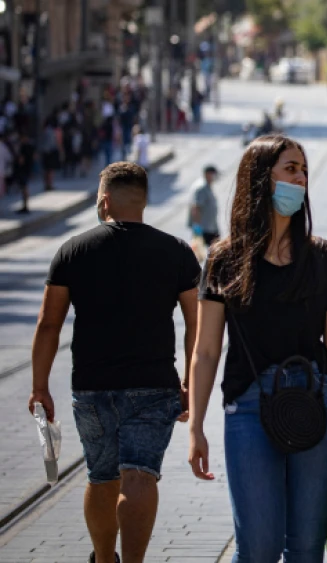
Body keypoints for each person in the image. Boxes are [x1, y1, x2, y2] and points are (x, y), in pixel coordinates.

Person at [187, 135, 327, 562]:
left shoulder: (321, 257)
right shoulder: (223, 258)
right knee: (257, 548)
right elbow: (205, 351)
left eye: (303, 170)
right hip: (247, 406)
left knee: (305, 549)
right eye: (290, 168)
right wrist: (195, 427)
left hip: (319, 403)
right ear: (261, 177)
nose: (300, 178)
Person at [28, 162, 200, 563]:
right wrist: (192, 381)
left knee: (102, 477)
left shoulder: (73, 251)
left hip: (91, 387)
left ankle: (105, 559)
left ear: (104, 202)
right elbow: (197, 324)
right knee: (140, 474)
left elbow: (49, 324)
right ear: (144, 201)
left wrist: (39, 386)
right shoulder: (176, 252)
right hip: (154, 384)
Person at [189, 165, 221, 248]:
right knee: (203, 252)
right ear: (207, 174)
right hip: (204, 228)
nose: (214, 177)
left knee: (216, 250)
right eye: (213, 174)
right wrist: (197, 228)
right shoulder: (201, 187)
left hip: (211, 227)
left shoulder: (208, 185)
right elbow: (196, 207)